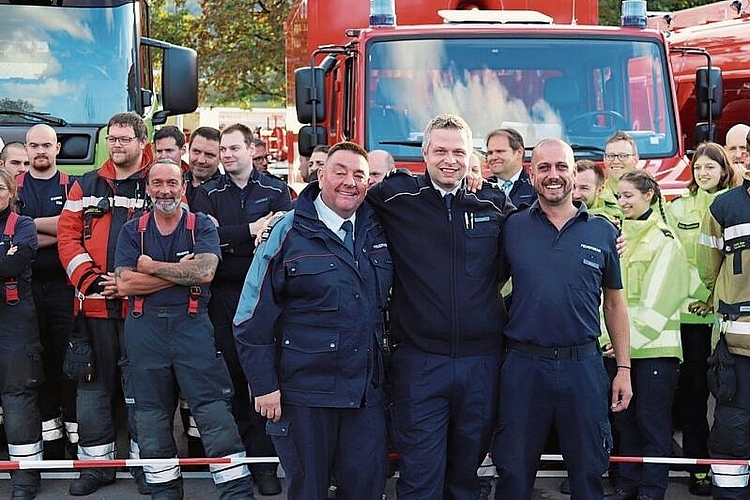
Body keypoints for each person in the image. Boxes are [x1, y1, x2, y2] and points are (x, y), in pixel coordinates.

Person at [234, 141, 392, 500]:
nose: (349, 182)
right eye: (340, 172)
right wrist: (263, 385)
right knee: (309, 492)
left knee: (367, 489)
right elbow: (249, 317)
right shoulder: (286, 231)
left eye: (359, 175)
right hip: (305, 394)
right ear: (320, 175)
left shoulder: (377, 229)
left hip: (364, 394)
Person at [367, 114, 513, 500]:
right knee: (420, 478)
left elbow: (536, 239)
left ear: (472, 157)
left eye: (459, 152)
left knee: (466, 478)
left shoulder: (494, 201)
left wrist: (601, 234)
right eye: (441, 151)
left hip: (481, 363)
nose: (450, 160)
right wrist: (280, 220)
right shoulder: (396, 197)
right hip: (420, 362)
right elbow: (339, 196)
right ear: (424, 153)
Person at [491, 138, 632, 500]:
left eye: (560, 167)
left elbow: (614, 304)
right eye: (543, 168)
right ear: (531, 173)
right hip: (523, 366)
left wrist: (624, 369)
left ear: (574, 172)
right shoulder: (512, 227)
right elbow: (487, 288)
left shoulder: (602, 231)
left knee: (588, 474)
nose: (552, 175)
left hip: (582, 367)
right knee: (513, 474)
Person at [114, 159, 255, 500]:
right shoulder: (132, 231)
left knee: (213, 410)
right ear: (148, 189)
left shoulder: (201, 225)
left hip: (191, 328)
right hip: (144, 331)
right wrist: (180, 270)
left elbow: (205, 272)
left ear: (184, 186)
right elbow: (125, 283)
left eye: (172, 183)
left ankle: (236, 491)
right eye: (157, 183)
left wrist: (152, 268)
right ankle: (164, 492)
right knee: (150, 415)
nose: (165, 190)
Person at [191, 123, 291, 496]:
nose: (227, 155)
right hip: (222, 299)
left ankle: (264, 466)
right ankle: (234, 469)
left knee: (262, 383)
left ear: (252, 149)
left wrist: (231, 236)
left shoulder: (277, 191)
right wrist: (251, 230)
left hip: (266, 299)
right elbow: (206, 240)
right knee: (228, 384)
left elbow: (281, 237)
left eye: (235, 148)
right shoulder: (206, 193)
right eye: (223, 150)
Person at [57, 112, 154, 496]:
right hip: (94, 307)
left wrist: (130, 284)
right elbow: (68, 239)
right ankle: (95, 468)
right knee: (93, 389)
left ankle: (145, 464)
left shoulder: (158, 183)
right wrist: (95, 281)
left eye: (124, 139)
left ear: (141, 141)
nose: (116, 145)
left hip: (141, 309)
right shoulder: (86, 185)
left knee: (144, 389)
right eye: (112, 139)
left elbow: (169, 238)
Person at [603, 170, 687, 500]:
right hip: (620, 352)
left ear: (649, 195)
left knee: (652, 425)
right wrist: (606, 341)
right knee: (625, 423)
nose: (622, 202)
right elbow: (605, 298)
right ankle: (628, 485)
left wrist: (624, 343)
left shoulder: (665, 240)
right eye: (618, 196)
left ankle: (652, 491)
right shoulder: (619, 239)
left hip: (655, 352)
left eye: (629, 196)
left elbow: (661, 301)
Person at [666, 142, 738, 497]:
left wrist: (711, 298)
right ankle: (699, 468)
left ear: (724, 170)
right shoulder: (676, 208)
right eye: (698, 168)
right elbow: (673, 262)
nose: (703, 173)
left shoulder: (737, 205)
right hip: (690, 319)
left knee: (731, 399)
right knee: (694, 397)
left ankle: (735, 465)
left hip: (728, 319)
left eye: (711, 167)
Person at [18, 124, 77, 460]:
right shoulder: (15, 187)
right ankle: (50, 446)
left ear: (57, 148)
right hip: (24, 291)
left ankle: (74, 440)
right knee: (35, 368)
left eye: (46, 145)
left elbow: (75, 227)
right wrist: (57, 228)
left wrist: (27, 226)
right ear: (26, 150)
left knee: (68, 365)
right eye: (33, 146)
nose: (39, 151)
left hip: (64, 291)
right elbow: (15, 235)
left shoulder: (72, 185)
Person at [697, 161, 750, 500]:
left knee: (732, 435)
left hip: (736, 351)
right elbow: (707, 269)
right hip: (736, 354)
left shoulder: (726, 206)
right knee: (731, 446)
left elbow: (709, 271)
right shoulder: (723, 207)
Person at [0, 168, 43, 500]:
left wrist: (7, 260)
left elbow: (11, 267)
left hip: (13, 325)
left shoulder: (23, 226)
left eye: (0, 187)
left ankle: (26, 477)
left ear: (11, 192)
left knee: (18, 398)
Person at [485, 128, 536, 207]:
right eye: (490, 153)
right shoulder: (481, 188)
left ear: (519, 153)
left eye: (500, 151)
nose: (493, 157)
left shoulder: (536, 189)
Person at [601, 131, 639, 208]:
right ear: (604, 159)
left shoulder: (649, 196)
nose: (616, 161)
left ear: (635, 159)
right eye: (611, 156)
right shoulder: (595, 195)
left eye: (623, 156)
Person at [185, 126, 222, 205]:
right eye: (196, 152)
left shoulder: (228, 193)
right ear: (189, 151)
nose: (201, 160)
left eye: (209, 155)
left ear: (221, 157)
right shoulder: (174, 185)